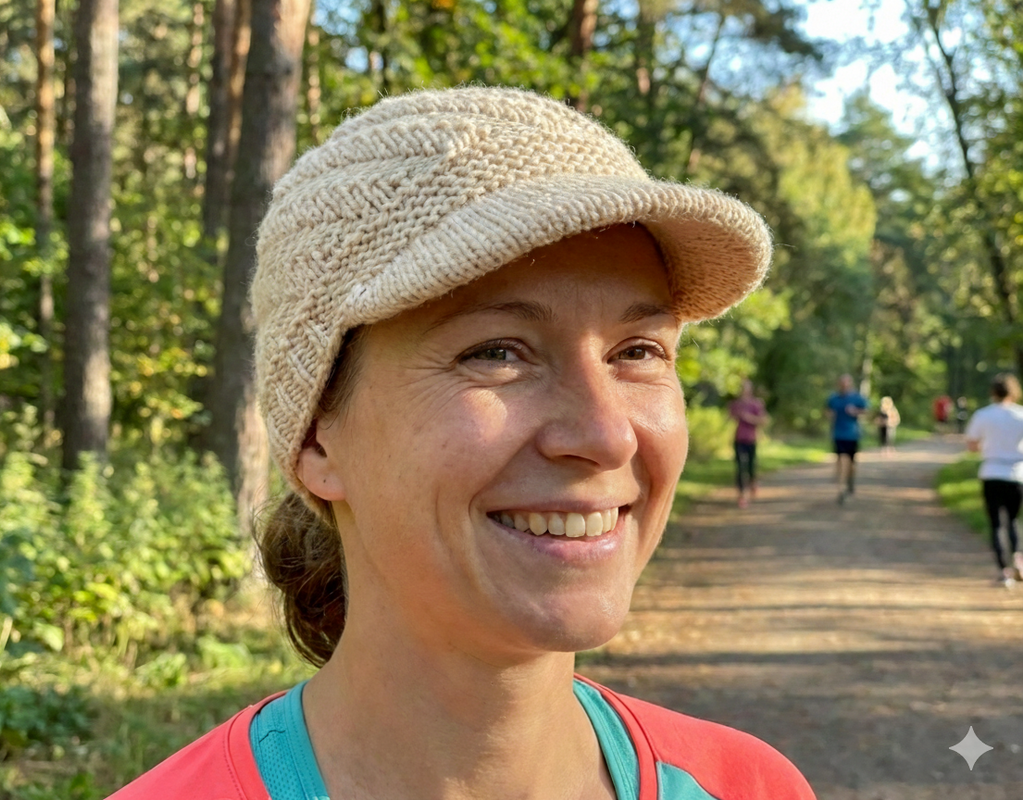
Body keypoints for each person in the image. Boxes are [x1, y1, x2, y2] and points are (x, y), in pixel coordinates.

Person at [108, 87, 814, 800]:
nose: (605, 435)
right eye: (497, 352)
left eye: (637, 351)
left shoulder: (751, 787)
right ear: (317, 436)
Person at [964, 373, 1023, 588]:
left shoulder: (984, 415)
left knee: (996, 524)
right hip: (1017, 473)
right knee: (1013, 521)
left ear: (993, 392)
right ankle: (1018, 558)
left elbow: (972, 445)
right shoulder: (1020, 415)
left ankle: (1004, 571)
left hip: (992, 471)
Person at [825, 374, 867, 505]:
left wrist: (855, 412)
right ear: (839, 384)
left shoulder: (857, 397)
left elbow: (866, 411)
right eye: (842, 383)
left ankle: (850, 481)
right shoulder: (833, 398)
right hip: (838, 434)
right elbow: (827, 411)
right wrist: (830, 414)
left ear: (850, 384)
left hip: (853, 434)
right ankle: (841, 488)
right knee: (841, 459)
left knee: (851, 463)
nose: (844, 386)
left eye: (846, 383)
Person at [729, 378, 768, 508]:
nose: (743, 390)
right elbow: (730, 417)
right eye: (742, 388)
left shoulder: (756, 404)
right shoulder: (736, 404)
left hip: (751, 439)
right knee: (740, 468)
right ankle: (741, 495)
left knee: (751, 467)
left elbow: (763, 420)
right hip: (738, 439)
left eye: (746, 387)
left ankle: (753, 483)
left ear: (750, 389)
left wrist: (749, 418)